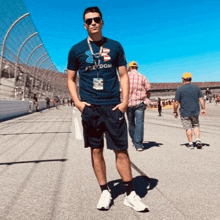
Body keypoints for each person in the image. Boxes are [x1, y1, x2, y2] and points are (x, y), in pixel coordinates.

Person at [67, 6, 149, 212]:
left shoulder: (115, 46)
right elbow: (70, 78)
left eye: (96, 19)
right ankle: (105, 190)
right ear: (84, 25)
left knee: (121, 150)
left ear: (102, 22)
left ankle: (130, 193)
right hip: (91, 108)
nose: (93, 23)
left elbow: (123, 76)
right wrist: (77, 102)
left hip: (113, 106)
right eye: (89, 20)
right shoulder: (76, 50)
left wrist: (124, 103)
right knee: (96, 150)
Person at [173, 72, 206, 149]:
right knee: (196, 125)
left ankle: (191, 143)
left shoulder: (180, 89)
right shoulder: (196, 88)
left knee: (188, 127)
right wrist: (203, 109)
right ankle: (198, 140)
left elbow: (176, 102)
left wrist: (175, 111)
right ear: (191, 79)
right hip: (195, 110)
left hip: (185, 112)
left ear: (183, 79)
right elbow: (201, 99)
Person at [126, 61, 151, 151]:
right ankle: (139, 144)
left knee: (131, 123)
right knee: (139, 124)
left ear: (129, 68)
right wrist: (147, 98)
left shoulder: (125, 77)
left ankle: (134, 140)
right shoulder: (142, 77)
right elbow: (148, 89)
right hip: (140, 103)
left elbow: (119, 89)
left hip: (128, 103)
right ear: (137, 68)